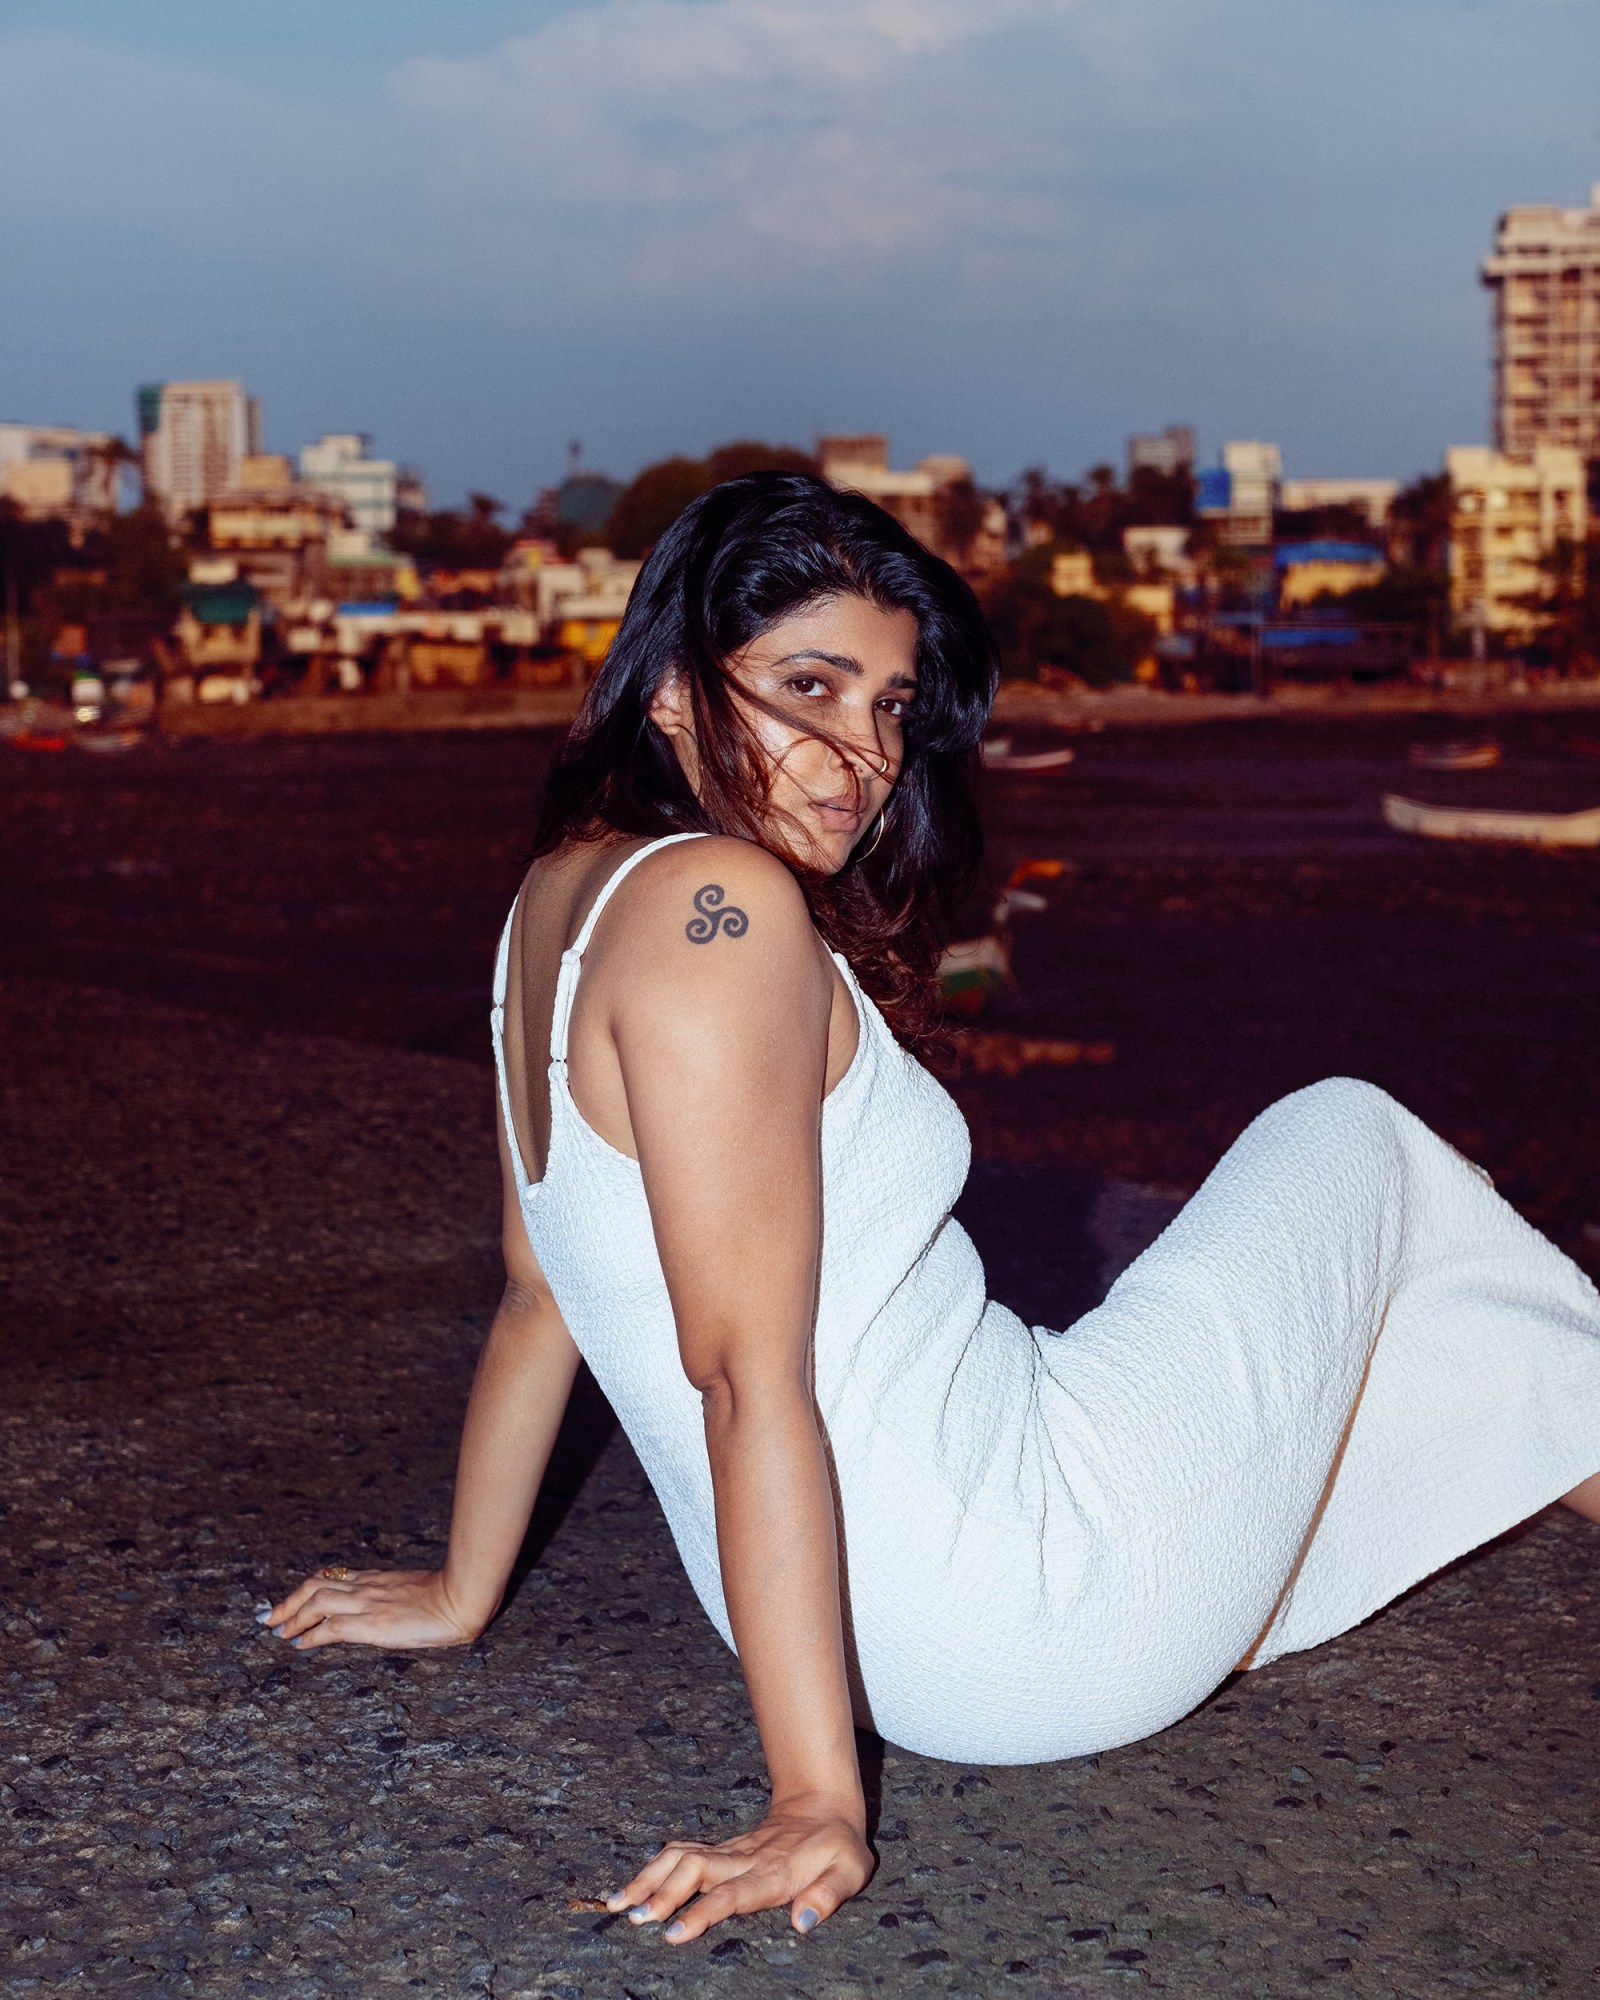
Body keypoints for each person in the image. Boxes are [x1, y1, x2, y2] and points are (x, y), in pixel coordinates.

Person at [262, 472, 1600, 1947]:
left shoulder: (556, 901)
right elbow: (739, 1376)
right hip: (1029, 1586)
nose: (860, 756)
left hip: (890, 1636)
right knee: (1359, 1143)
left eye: (893, 707)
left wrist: (462, 1589)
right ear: (665, 688)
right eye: (807, 687)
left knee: (1382, 1314)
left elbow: (539, 1291)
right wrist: (814, 1800)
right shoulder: (724, 910)